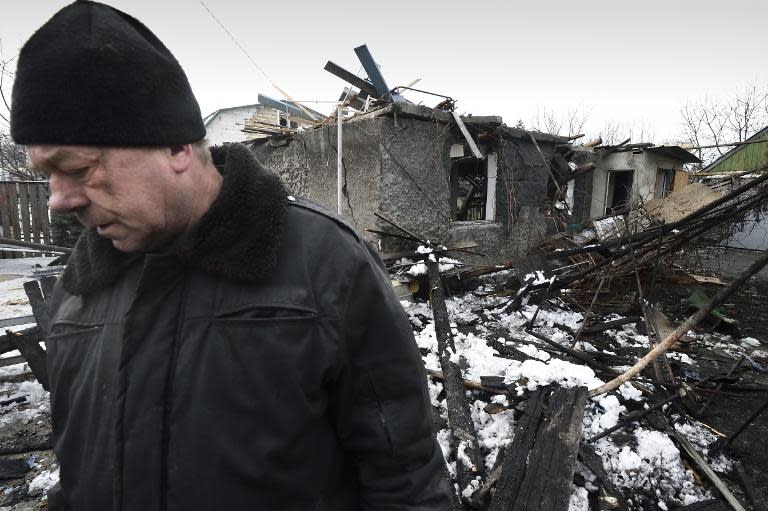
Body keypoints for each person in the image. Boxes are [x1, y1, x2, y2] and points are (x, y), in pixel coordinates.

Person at [11, 2, 452, 509]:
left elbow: (405, 481)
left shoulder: (324, 264)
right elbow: (80, 472)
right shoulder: (80, 286)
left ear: (176, 148)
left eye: (79, 168)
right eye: (47, 173)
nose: (58, 199)